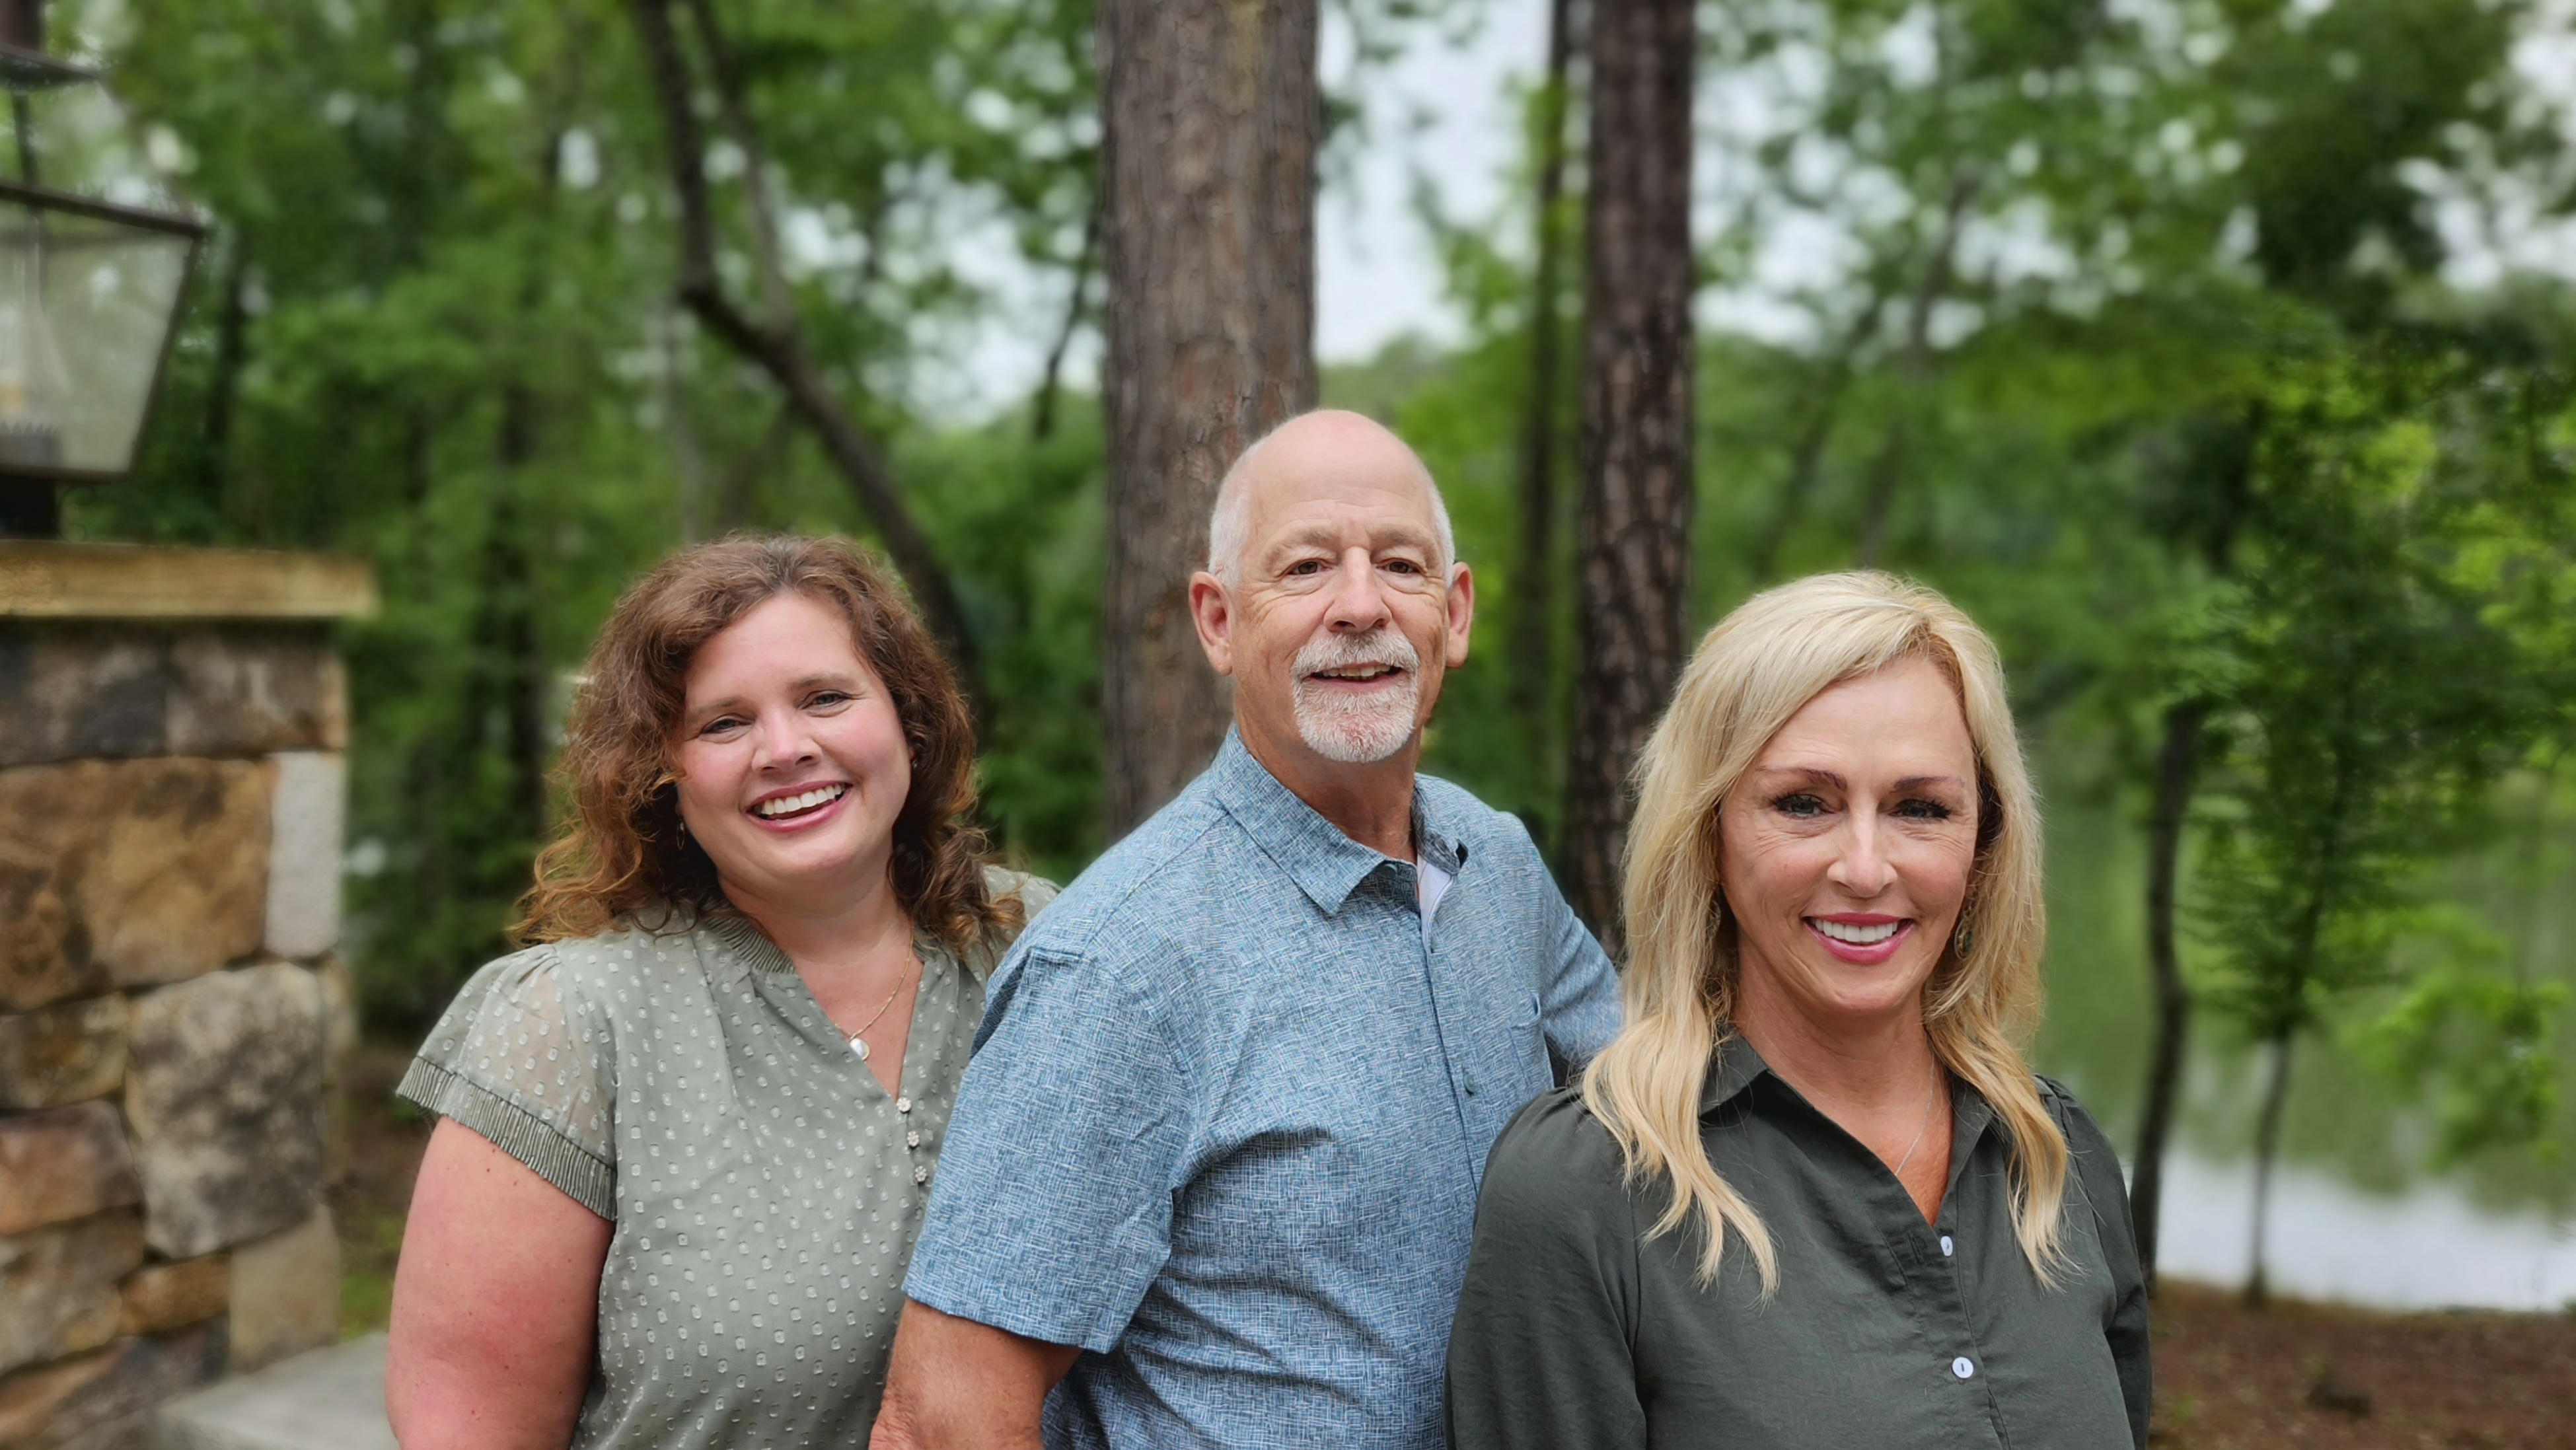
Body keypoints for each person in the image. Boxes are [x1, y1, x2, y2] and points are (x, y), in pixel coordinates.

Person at [868, 410, 1622, 1450]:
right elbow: (942, 1419)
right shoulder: (1118, 968)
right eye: (1306, 567)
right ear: (1218, 622)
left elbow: (1661, 1088)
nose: (1359, 606)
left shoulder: (1494, 864)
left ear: (1454, 613)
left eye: (1399, 565)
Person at [1447, 571, 2151, 1450]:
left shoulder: (2058, 1158)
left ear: (1983, 847)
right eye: (1804, 804)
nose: (1864, 869)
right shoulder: (1586, 1192)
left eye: (1920, 808)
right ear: (1708, 835)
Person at [385, 536, 1052, 1449]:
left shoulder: (1052, 951)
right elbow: (466, 1430)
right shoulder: (570, 1023)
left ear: (909, 719)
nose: (786, 749)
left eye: (825, 698)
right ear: (660, 771)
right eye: (723, 724)